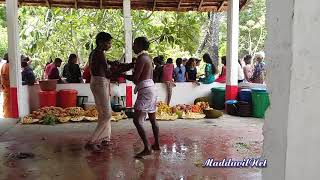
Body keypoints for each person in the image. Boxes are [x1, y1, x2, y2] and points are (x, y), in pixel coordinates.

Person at [86, 32, 134, 152]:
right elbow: (108, 73)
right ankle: (92, 141)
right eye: (108, 42)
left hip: (97, 82)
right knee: (107, 114)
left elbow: (108, 65)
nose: (110, 45)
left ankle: (105, 138)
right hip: (100, 82)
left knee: (103, 113)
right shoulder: (99, 54)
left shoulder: (96, 53)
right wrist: (126, 69)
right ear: (101, 42)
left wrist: (118, 65)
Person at [126, 37, 160, 158]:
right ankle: (156, 144)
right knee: (152, 119)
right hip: (151, 89)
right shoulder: (148, 57)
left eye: (134, 44)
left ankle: (147, 147)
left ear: (140, 45)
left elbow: (136, 78)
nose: (133, 47)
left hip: (145, 91)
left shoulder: (141, 58)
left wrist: (119, 74)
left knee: (137, 120)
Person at [1, 54, 10, 118]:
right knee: (7, 105)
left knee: (7, 104)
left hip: (6, 88)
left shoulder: (4, 65)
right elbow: (4, 76)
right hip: (8, 88)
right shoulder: (7, 66)